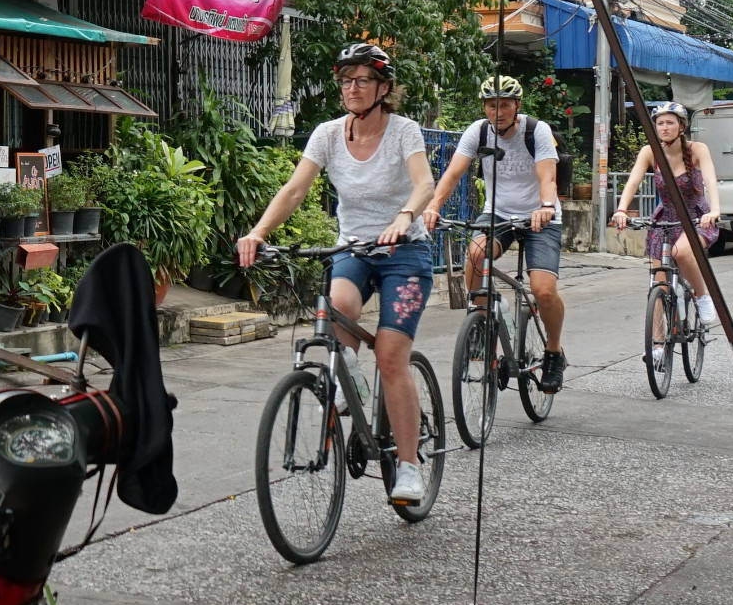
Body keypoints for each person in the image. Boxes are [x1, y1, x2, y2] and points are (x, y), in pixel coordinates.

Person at [236, 42, 437, 509]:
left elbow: (425, 183)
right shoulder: (328, 134)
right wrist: (259, 232)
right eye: (346, 80)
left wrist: (406, 216)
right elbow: (296, 188)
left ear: (383, 88)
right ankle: (353, 382)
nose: (352, 88)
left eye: (363, 80)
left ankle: (408, 466)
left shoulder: (403, 131)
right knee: (338, 308)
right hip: (355, 250)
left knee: (391, 356)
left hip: (404, 253)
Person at [421, 74, 568, 392]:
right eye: (491, 105)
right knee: (475, 254)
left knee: (543, 291)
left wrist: (545, 205)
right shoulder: (479, 132)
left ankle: (554, 351)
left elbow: (548, 177)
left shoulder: (536, 131)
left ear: (517, 106)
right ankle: (483, 320)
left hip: (540, 216)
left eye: (504, 105)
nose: (497, 111)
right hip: (498, 213)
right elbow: (454, 172)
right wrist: (433, 205)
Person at [611, 102, 725, 328]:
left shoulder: (697, 149)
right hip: (664, 219)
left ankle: (702, 296)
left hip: (696, 216)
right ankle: (657, 346)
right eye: (660, 123)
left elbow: (711, 180)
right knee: (658, 285)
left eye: (670, 123)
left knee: (681, 254)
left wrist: (714, 210)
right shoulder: (650, 151)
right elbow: (633, 182)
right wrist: (621, 209)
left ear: (681, 127)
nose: (664, 128)